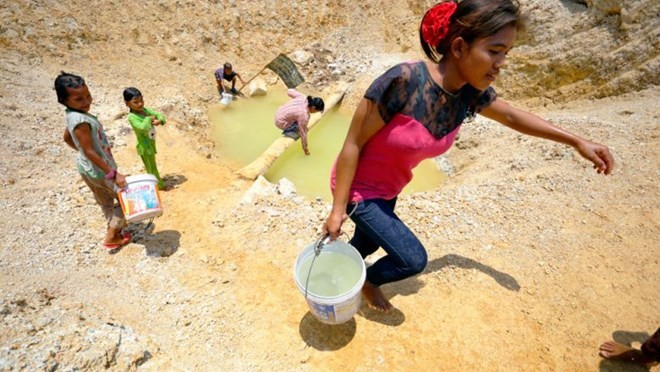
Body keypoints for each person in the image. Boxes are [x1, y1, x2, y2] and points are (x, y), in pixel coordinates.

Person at [322, 0, 614, 314]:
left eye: (507, 53)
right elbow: (352, 144)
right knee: (411, 259)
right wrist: (338, 209)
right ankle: (365, 281)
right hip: (359, 189)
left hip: (389, 187)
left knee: (369, 243)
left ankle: (337, 270)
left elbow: (513, 117)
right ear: (460, 47)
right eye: (494, 50)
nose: (501, 62)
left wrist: (576, 141)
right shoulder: (404, 81)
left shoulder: (468, 93)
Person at [56, 72, 132, 250]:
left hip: (87, 169)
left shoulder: (72, 116)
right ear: (64, 100)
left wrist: (84, 152)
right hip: (101, 171)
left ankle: (115, 230)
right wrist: (113, 173)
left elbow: (67, 138)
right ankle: (112, 235)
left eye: (88, 96)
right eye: (79, 99)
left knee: (104, 201)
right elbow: (89, 150)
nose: (86, 102)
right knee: (124, 197)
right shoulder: (82, 121)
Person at [123, 87, 168, 190]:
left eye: (141, 100)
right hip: (144, 146)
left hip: (150, 144)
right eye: (136, 102)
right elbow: (142, 128)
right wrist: (149, 118)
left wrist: (160, 120)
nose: (140, 104)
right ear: (127, 103)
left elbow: (159, 114)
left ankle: (156, 181)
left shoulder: (145, 110)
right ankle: (159, 185)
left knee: (153, 164)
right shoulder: (132, 117)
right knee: (151, 167)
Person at [274, 89, 325, 155]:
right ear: (313, 107)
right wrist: (305, 149)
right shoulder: (304, 115)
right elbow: (303, 134)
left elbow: (289, 91)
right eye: (316, 111)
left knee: (299, 118)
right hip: (280, 122)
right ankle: (289, 131)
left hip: (279, 112)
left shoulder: (303, 97)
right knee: (304, 128)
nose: (315, 113)